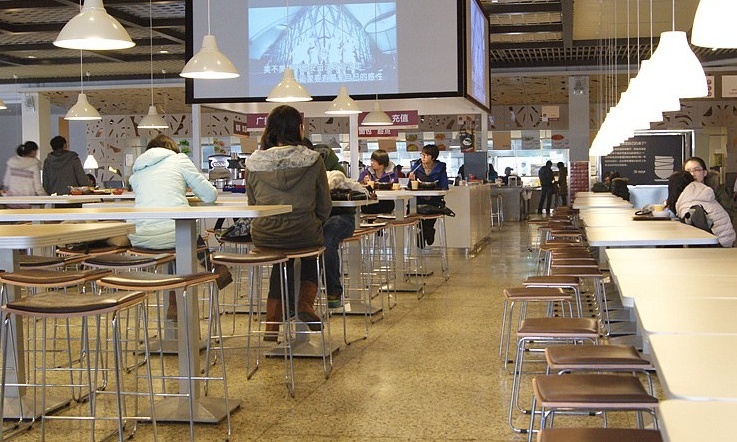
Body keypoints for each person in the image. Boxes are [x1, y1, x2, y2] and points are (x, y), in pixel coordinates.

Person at [245, 105, 331, 340]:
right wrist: (314, 222)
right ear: (299, 128)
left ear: (269, 129)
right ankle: (305, 304)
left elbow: (253, 204)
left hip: (265, 235)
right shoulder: (313, 159)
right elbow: (324, 204)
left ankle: (272, 321)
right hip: (304, 232)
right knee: (311, 251)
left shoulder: (253, 162)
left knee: (280, 259)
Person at [129, 134, 230, 318]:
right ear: (172, 149)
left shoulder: (138, 170)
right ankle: (214, 267)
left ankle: (174, 303)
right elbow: (210, 196)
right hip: (174, 235)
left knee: (174, 235)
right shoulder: (179, 160)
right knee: (181, 233)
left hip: (139, 237)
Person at [312, 143, 361, 308]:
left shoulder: (337, 172)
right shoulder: (308, 172)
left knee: (327, 241)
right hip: (319, 217)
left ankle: (333, 291)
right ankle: (304, 295)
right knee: (304, 242)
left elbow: (330, 187)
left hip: (341, 217)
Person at [668, 171, 735, 247]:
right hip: (726, 239)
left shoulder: (688, 203)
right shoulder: (697, 192)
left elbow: (696, 234)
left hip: (718, 244)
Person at [408, 144, 449, 246]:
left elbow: (444, 186)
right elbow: (410, 187)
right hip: (418, 201)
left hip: (434, 201)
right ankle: (428, 232)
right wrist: (411, 179)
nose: (423, 157)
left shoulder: (440, 168)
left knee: (430, 211)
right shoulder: (416, 167)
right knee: (411, 211)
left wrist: (433, 193)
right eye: (422, 154)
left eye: (426, 155)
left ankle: (424, 233)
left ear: (433, 157)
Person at [3, 141, 47, 208]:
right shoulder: (34, 164)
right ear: (33, 151)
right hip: (27, 199)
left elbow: (6, 182)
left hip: (12, 198)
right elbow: (37, 186)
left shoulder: (11, 162)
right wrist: (44, 195)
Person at [358, 149, 396, 215]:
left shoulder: (391, 173)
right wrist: (363, 182)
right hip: (369, 202)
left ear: (382, 162)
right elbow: (358, 185)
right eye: (371, 160)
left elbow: (395, 185)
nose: (372, 163)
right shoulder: (367, 172)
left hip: (386, 202)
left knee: (388, 205)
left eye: (374, 161)